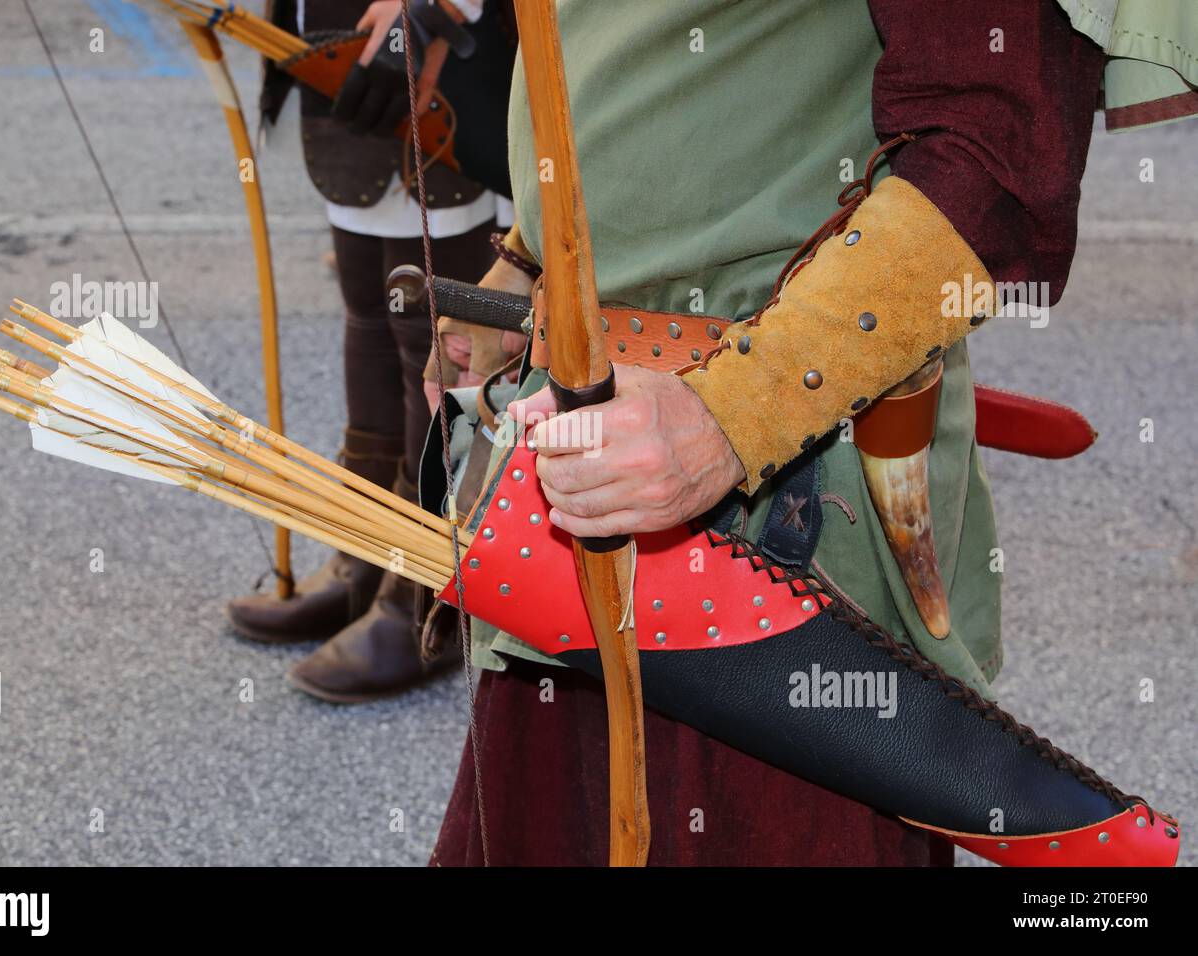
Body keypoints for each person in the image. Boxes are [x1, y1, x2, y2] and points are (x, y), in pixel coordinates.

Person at [428, 0, 1196, 865]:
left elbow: (993, 156)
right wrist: (529, 265)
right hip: (584, 472)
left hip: (778, 505)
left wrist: (730, 417)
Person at [227, 0, 517, 703]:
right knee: (367, 312)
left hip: (440, 56)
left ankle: (424, 587)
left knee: (437, 338)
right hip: (343, 49)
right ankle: (364, 553)